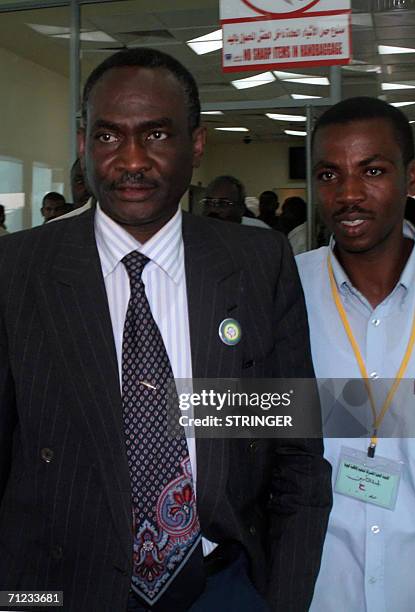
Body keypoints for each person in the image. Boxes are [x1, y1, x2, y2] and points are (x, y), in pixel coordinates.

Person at [0, 48, 331, 612]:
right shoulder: (17, 272)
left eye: (155, 135)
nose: (132, 160)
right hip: (59, 588)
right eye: (108, 137)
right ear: (84, 144)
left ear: (195, 145)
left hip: (221, 585)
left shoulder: (256, 265)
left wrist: (283, 599)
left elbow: (295, 452)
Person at [296, 96, 415, 612]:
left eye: (372, 170)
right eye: (328, 175)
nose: (347, 194)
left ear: (411, 179)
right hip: (318, 588)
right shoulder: (283, 292)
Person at [202, 175, 270, 228]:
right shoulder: (199, 229)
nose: (213, 209)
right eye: (209, 203)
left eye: (223, 203)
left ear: (241, 208)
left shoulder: (260, 230)